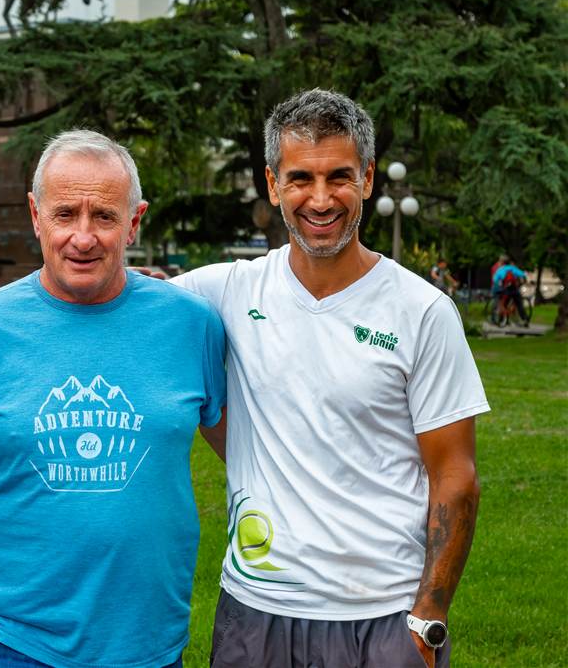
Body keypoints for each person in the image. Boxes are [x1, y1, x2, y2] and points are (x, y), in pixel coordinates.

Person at [171, 89, 488, 668]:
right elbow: (106, 301)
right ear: (273, 185)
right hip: (256, 608)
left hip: (385, 617)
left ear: (368, 179)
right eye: (300, 179)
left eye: (339, 177)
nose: (320, 200)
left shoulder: (421, 311)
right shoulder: (228, 291)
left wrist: (429, 619)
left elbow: (455, 477)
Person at [0, 129, 228, 668]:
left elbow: (252, 458)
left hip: (149, 646)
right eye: (65, 214)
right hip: (13, 645)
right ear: (35, 215)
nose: (83, 236)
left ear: (134, 221)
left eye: (105, 217)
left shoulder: (192, 326)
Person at [492, 258, 528, 325]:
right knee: (519, 304)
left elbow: (495, 279)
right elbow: (522, 274)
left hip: (506, 290)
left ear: (503, 263)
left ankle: (501, 320)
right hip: (514, 289)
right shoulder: (513, 268)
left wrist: (500, 284)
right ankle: (524, 319)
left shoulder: (501, 269)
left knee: (504, 305)